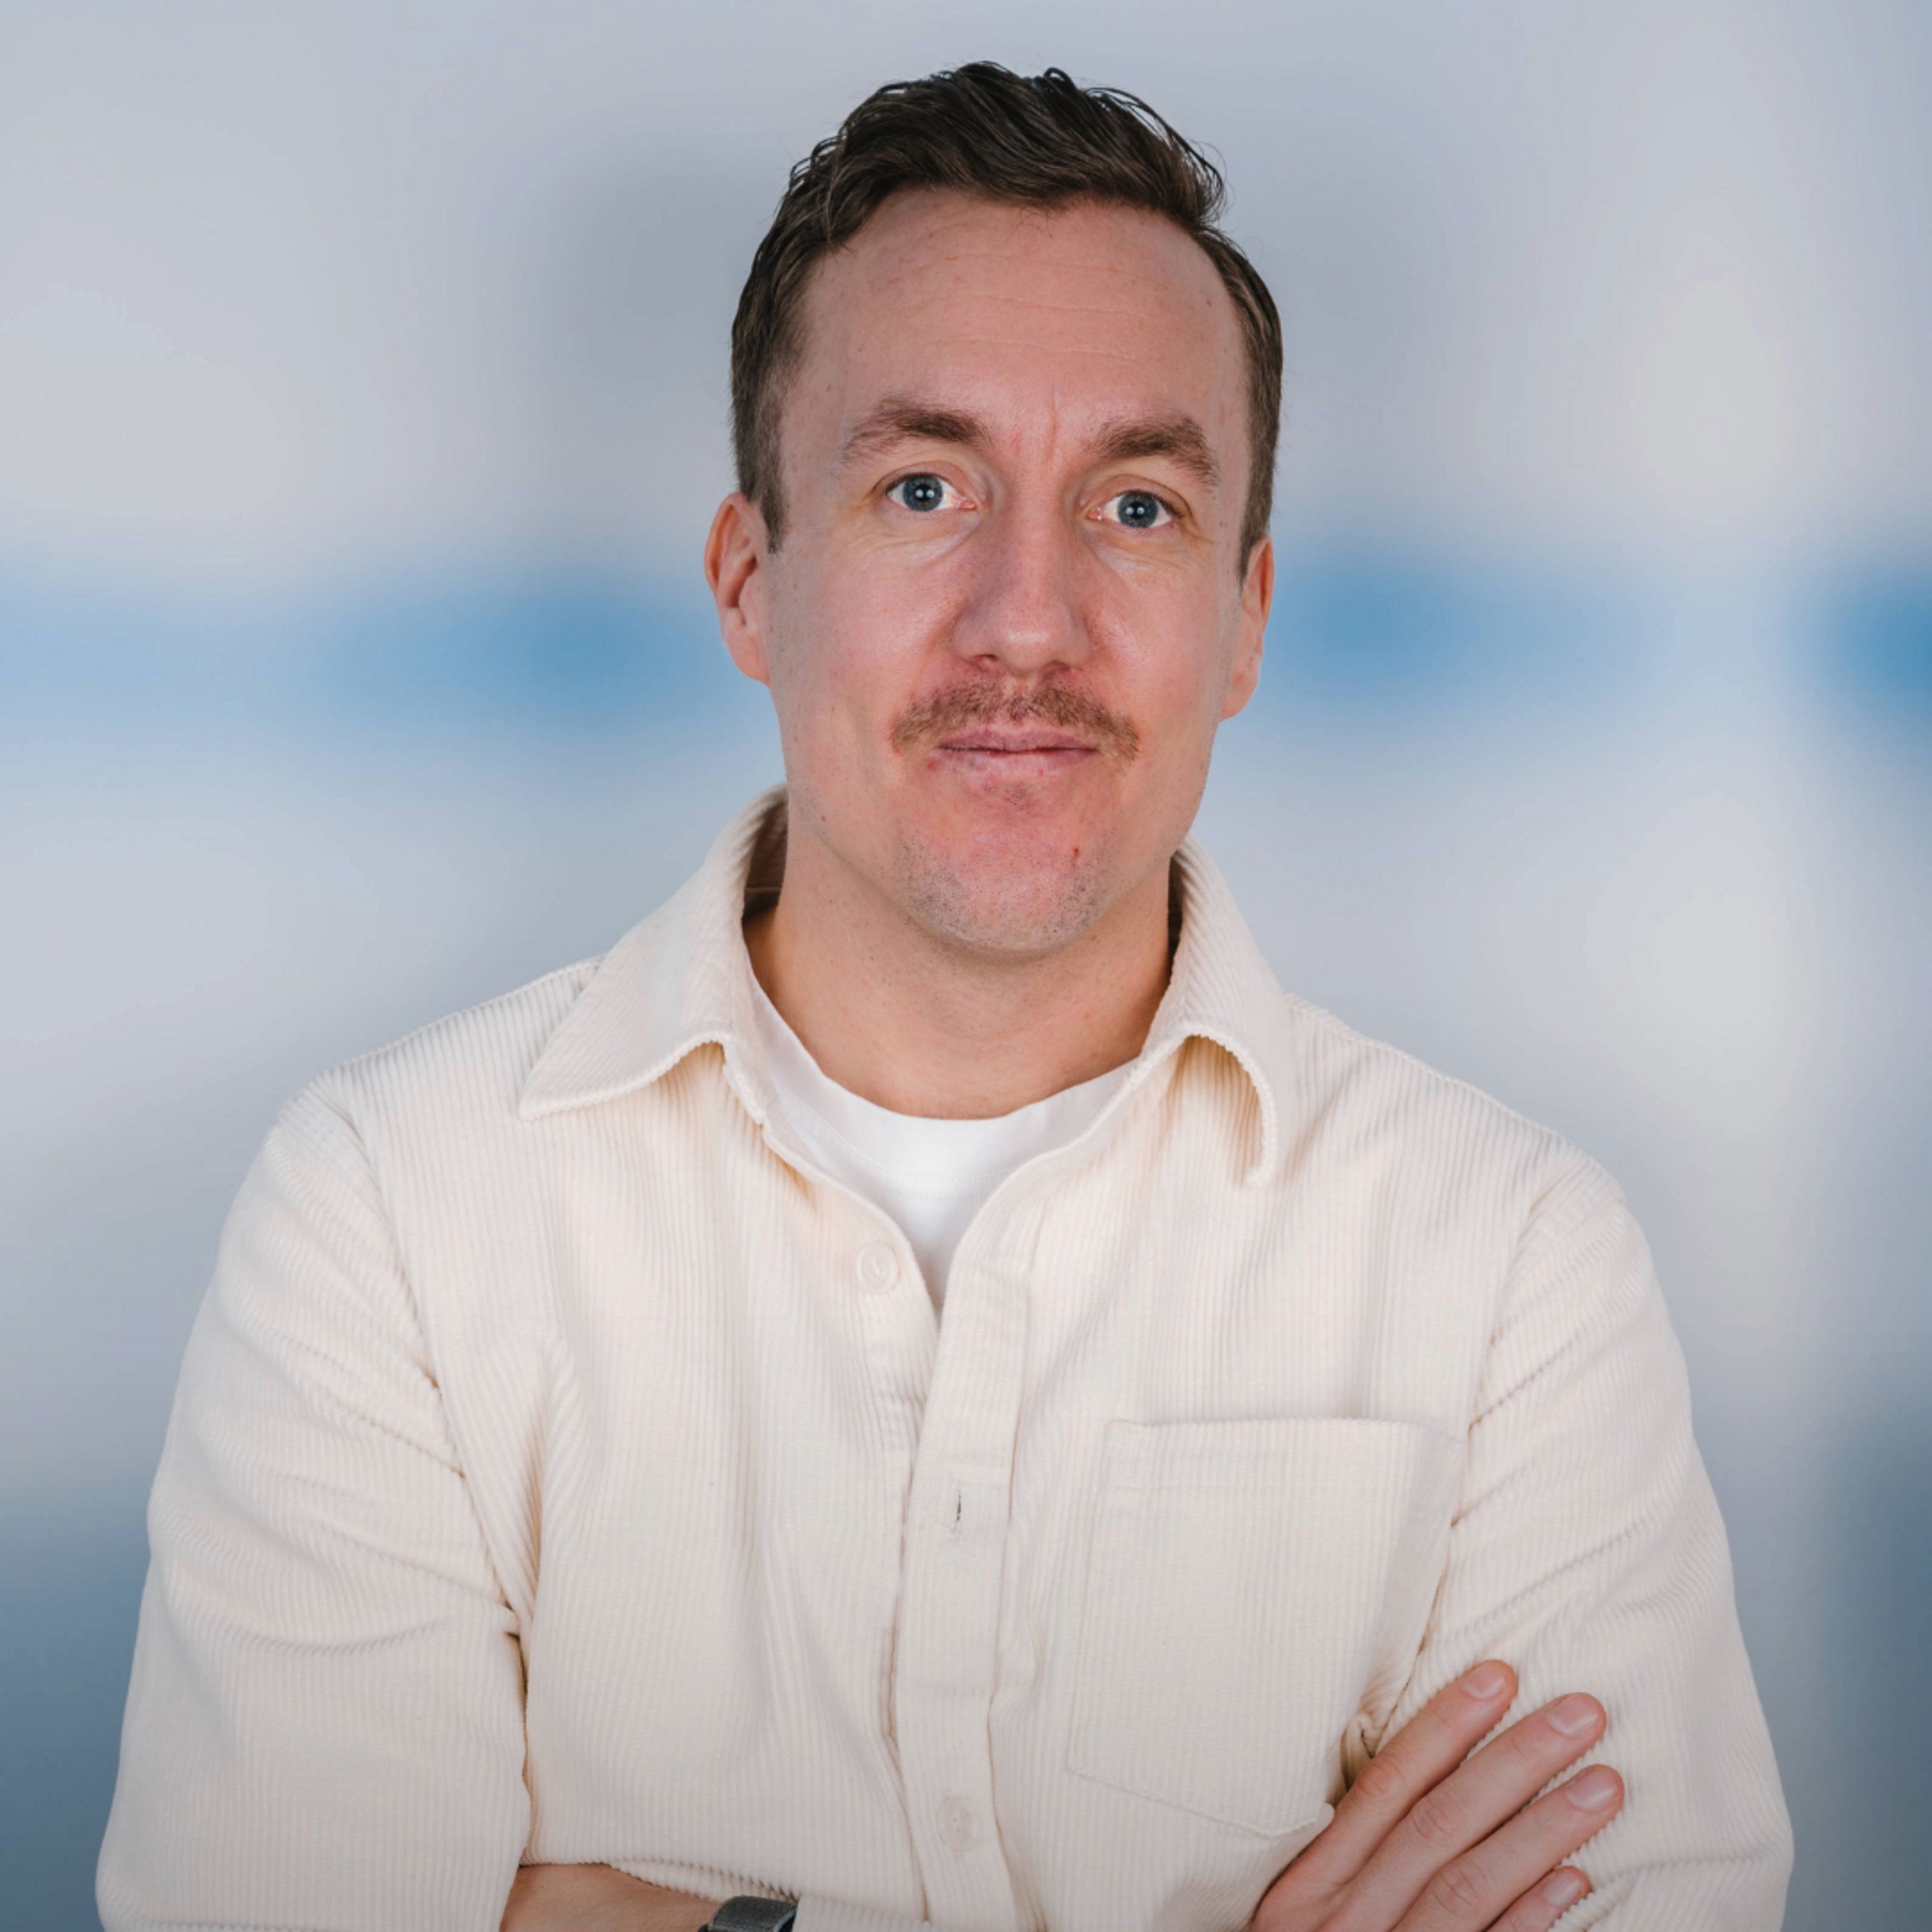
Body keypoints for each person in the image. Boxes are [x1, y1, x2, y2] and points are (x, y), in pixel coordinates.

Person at [96, 62, 1792, 1932]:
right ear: (752, 582)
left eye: (1136, 505)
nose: (1028, 621)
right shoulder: (388, 1215)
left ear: (1244, 618)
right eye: (923, 488)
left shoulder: (1513, 1265)